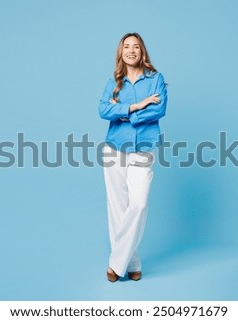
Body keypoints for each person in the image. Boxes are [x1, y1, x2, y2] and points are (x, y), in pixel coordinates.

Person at [98, 32, 168, 282]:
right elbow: (103, 110)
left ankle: (116, 264)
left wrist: (127, 116)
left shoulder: (156, 79)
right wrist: (136, 107)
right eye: (126, 46)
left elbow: (160, 109)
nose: (131, 50)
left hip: (144, 148)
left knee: (138, 204)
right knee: (118, 206)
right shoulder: (114, 81)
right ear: (121, 52)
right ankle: (133, 262)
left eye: (135, 46)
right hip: (115, 148)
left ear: (142, 51)